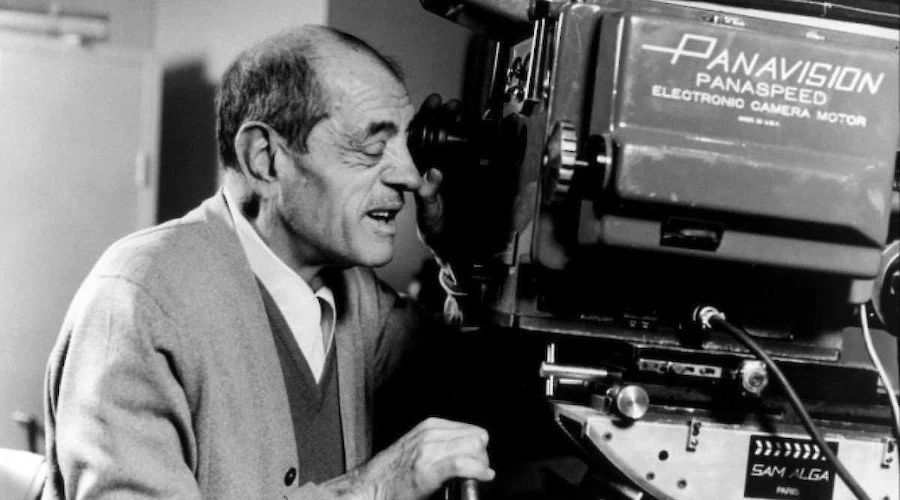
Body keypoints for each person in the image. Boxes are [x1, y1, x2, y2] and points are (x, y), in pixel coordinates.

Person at [42, 25, 493, 499]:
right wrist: (372, 489)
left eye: (407, 146)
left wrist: (458, 254)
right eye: (373, 146)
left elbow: (478, 388)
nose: (409, 177)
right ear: (265, 159)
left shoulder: (358, 298)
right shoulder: (139, 297)